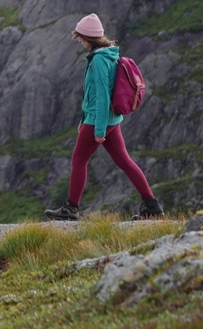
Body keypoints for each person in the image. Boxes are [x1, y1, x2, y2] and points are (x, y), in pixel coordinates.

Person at [44, 13, 164, 221]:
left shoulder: (99, 60)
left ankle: (71, 209)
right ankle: (152, 206)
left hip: (99, 120)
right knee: (125, 162)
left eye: (80, 37)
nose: (80, 41)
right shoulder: (111, 54)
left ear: (88, 38)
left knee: (79, 161)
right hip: (112, 120)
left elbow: (101, 96)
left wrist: (97, 130)